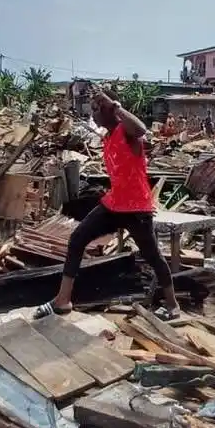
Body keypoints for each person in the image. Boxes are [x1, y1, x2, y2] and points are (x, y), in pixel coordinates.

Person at [33, 87, 180, 321]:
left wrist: (115, 105)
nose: (93, 114)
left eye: (97, 109)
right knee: (78, 238)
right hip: (113, 204)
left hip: (136, 208)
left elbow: (141, 129)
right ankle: (63, 300)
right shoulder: (108, 136)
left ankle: (172, 306)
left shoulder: (127, 132)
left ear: (110, 110)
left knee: (152, 255)